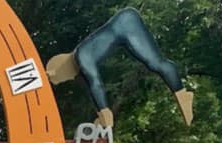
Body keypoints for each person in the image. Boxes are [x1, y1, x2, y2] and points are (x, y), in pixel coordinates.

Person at [46, 8, 194, 129]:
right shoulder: (82, 54)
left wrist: (104, 112)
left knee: (156, 63)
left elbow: (96, 84)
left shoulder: (81, 57)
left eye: (62, 79)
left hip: (126, 24)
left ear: (61, 70)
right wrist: (103, 114)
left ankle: (182, 94)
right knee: (155, 63)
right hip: (124, 24)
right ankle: (182, 93)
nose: (70, 79)